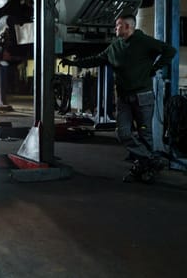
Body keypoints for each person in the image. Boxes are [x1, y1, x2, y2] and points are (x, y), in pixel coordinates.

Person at [63, 13, 176, 182]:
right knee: (123, 133)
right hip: (124, 98)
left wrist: (154, 69)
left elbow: (170, 51)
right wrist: (73, 63)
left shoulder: (144, 42)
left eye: (118, 25)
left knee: (145, 135)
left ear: (128, 27)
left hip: (142, 97)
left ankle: (142, 169)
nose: (115, 28)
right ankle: (151, 160)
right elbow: (96, 60)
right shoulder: (114, 47)